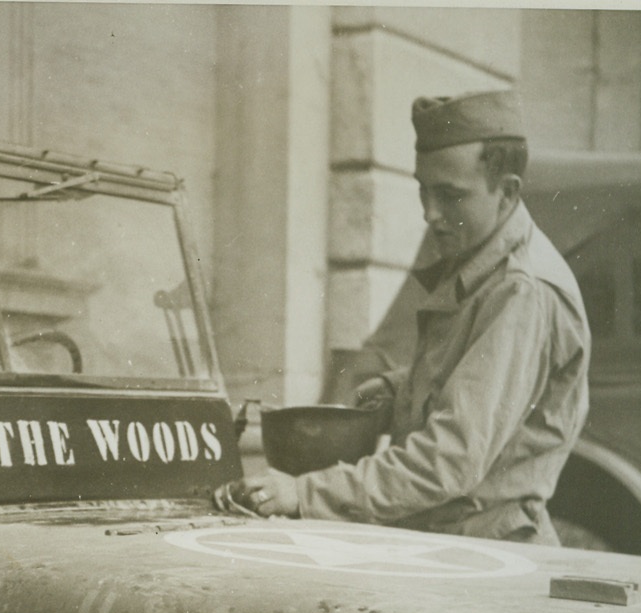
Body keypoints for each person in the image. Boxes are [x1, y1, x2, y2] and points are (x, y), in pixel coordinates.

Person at [219, 90, 590, 545]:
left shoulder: (521, 291)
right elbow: (471, 379)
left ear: (507, 190)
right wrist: (401, 389)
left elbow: (449, 460)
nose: (430, 214)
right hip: (447, 538)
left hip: (485, 553)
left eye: (449, 195)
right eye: (423, 191)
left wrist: (303, 492)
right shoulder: (482, 261)